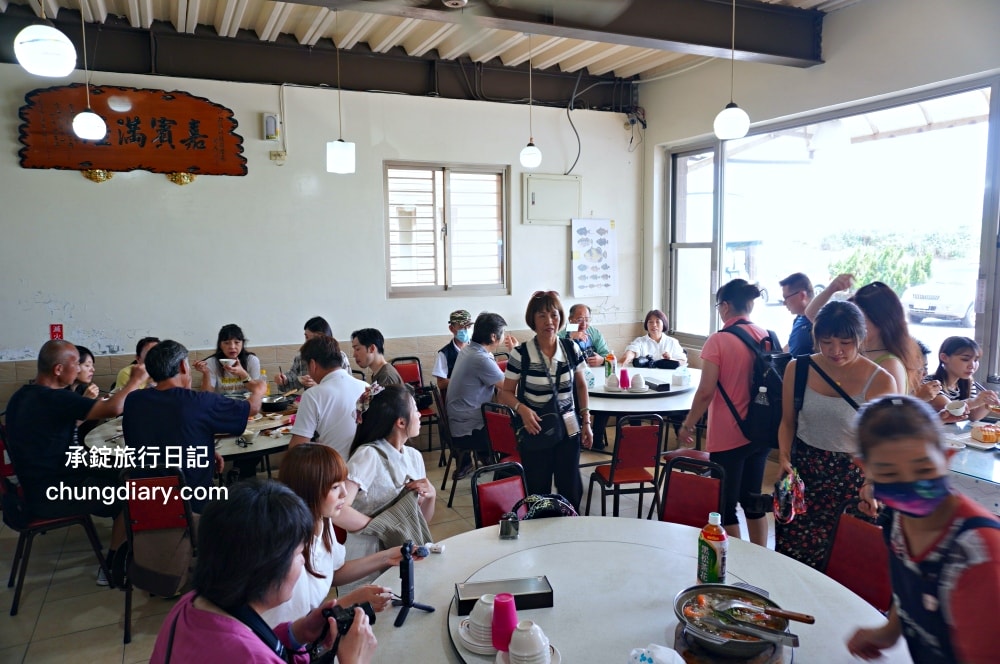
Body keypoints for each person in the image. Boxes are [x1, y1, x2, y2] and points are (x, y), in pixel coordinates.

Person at [149, 479, 377, 664]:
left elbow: (248, 641)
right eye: (299, 554)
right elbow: (249, 654)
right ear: (268, 568)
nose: (303, 561)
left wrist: (295, 634)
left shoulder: (191, 604)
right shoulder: (250, 658)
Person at [846, 395, 1000, 664]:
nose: (910, 485)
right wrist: (890, 631)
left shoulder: (978, 555)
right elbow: (908, 584)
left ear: (947, 457)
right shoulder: (897, 518)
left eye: (923, 468)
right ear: (865, 469)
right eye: (890, 474)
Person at [5, 340, 149, 584]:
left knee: (123, 471)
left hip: (36, 486)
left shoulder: (23, 395)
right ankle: (113, 566)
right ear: (59, 370)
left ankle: (130, 543)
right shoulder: (55, 399)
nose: (81, 367)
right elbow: (114, 408)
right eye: (77, 363)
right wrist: (135, 380)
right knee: (133, 492)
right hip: (53, 494)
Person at [775, 301, 894, 569]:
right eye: (826, 342)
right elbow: (787, 422)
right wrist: (784, 458)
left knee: (844, 562)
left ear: (860, 338)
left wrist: (871, 483)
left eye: (845, 342)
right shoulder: (799, 368)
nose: (835, 351)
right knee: (794, 558)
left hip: (852, 481)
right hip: (803, 476)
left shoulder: (880, 380)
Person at [677, 280, 776, 546]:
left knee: (726, 504)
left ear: (726, 306)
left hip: (729, 435)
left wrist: (688, 424)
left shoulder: (719, 340)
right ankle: (761, 555)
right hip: (761, 432)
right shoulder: (767, 336)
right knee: (753, 499)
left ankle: (739, 560)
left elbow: (706, 391)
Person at [262, 444, 400, 627]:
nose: (344, 493)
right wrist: (351, 600)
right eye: (335, 487)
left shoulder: (322, 520)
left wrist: (388, 556)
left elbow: (332, 572)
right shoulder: (289, 551)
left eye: (343, 482)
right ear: (309, 492)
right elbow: (295, 630)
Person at [122, 340, 266, 513]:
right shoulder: (199, 402)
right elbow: (252, 408)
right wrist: (258, 390)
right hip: (192, 506)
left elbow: (166, 433)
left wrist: (206, 450)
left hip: (144, 503)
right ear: (183, 366)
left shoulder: (133, 400)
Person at [498, 290, 593, 510]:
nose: (549, 321)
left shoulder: (571, 348)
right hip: (536, 427)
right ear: (532, 320)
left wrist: (586, 421)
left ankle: (569, 530)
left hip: (568, 427)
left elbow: (581, 385)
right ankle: (539, 536)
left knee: (570, 487)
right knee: (538, 489)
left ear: (560, 317)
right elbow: (506, 393)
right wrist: (522, 410)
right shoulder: (520, 354)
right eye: (542, 316)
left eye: (554, 315)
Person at [339, 385, 436, 592]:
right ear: (401, 422)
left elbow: (420, 519)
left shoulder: (414, 457)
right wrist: (382, 525)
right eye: (415, 409)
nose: (419, 414)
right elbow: (338, 510)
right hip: (367, 554)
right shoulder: (368, 455)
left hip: (402, 548)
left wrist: (431, 496)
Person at [806, 275, 921, 393]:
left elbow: (891, 410)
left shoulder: (890, 365)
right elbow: (811, 314)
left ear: (881, 321)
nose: (852, 325)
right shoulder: (854, 349)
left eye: (860, 319)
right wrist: (830, 290)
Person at [446, 312, 509, 480]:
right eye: (503, 333)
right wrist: (515, 351)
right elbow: (508, 386)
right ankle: (505, 479)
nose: (504, 336)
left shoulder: (468, 350)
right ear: (494, 336)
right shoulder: (480, 358)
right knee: (513, 433)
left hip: (460, 423)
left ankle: (495, 465)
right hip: (467, 430)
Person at [289, 336, 368, 459]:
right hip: (366, 468)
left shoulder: (312, 395)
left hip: (334, 471)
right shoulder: (366, 387)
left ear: (313, 365)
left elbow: (297, 449)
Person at [926, 336, 1000, 421]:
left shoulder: (967, 382)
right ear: (944, 357)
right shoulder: (930, 384)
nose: (972, 366)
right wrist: (976, 401)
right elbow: (951, 410)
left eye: (976, 360)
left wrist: (987, 403)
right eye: (965, 359)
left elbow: (973, 416)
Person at [276, 317, 350, 391]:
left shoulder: (340, 357)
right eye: (305, 337)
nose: (306, 342)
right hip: (311, 400)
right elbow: (286, 386)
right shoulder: (302, 358)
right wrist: (283, 381)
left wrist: (319, 385)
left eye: (307, 337)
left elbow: (347, 386)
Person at [195, 323, 261, 395]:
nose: (232, 347)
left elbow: (256, 390)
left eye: (237, 342)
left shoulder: (251, 360)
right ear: (220, 345)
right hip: (221, 404)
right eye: (226, 343)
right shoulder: (211, 362)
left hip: (245, 404)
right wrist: (206, 373)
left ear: (242, 344)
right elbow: (206, 395)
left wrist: (242, 373)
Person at [621, 309, 687, 367]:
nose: (654, 325)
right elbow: (632, 351)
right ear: (646, 324)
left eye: (657, 321)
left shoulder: (672, 342)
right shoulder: (640, 341)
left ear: (663, 324)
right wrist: (627, 356)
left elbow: (683, 361)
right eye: (650, 322)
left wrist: (671, 359)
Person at [432, 309, 473, 392]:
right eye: (462, 327)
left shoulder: (477, 348)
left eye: (468, 326)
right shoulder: (444, 354)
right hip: (457, 397)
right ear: (451, 328)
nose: (466, 330)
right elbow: (441, 384)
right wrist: (463, 381)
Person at [558, 304, 609, 369]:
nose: (584, 324)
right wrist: (570, 338)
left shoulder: (594, 333)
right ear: (570, 319)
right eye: (579, 320)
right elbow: (557, 361)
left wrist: (602, 360)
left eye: (587, 320)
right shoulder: (561, 336)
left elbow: (607, 356)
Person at [779, 272, 815, 356]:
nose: (784, 303)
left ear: (802, 295)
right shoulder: (798, 318)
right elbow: (790, 346)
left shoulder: (818, 321)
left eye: (786, 298)